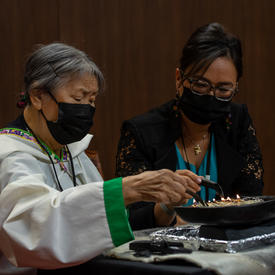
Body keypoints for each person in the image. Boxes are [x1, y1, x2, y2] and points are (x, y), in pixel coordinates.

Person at [0, 43, 202, 274]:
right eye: (78, 99)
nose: (86, 109)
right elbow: (35, 230)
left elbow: (96, 229)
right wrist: (126, 189)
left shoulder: (69, 149)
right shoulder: (10, 155)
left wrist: (164, 206)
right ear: (37, 96)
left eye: (92, 100)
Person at [116, 22, 264, 230]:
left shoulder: (238, 123)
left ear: (235, 87)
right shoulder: (142, 132)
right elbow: (131, 219)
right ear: (179, 79)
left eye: (223, 90)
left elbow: (250, 201)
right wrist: (167, 207)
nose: (211, 96)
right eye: (201, 85)